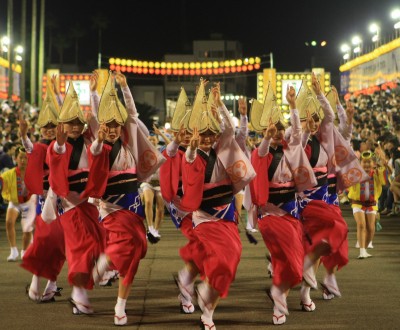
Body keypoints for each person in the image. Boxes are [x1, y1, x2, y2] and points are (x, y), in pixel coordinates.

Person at [82, 70, 165, 326]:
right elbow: (97, 134)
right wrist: (95, 93)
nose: (112, 130)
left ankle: (120, 304)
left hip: (132, 207)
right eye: (107, 126)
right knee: (123, 247)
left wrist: (125, 87)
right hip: (111, 207)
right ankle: (102, 267)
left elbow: (131, 114)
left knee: (138, 248)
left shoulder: (128, 142)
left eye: (116, 126)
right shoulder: (101, 147)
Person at [178, 80, 256, 329]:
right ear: (195, 133)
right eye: (203, 133)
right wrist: (192, 150)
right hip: (204, 219)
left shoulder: (223, 148)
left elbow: (231, 131)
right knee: (216, 261)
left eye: (212, 133)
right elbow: (190, 165)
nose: (208, 137)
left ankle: (206, 300)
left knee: (231, 260)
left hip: (226, 216)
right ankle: (207, 311)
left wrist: (220, 103)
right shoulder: (191, 155)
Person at [296, 73, 367, 311]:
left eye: (316, 118)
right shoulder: (297, 138)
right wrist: (304, 126)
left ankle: (317, 283)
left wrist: (324, 98)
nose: (315, 122)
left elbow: (340, 129)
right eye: (310, 118)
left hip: (328, 196)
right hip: (305, 201)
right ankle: (308, 281)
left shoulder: (327, 138)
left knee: (332, 240)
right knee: (318, 241)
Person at [250, 84, 316, 325]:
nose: (278, 134)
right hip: (270, 218)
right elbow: (261, 151)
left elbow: (298, 132)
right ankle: (279, 298)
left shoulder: (291, 151)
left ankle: (279, 302)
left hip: (292, 217)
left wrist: (292, 105)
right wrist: (266, 138)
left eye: (280, 130)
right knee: (290, 263)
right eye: (273, 131)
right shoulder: (262, 153)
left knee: (285, 262)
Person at [42, 79, 104, 315]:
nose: (76, 127)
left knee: (97, 244)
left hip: (90, 205)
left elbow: (100, 122)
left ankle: (78, 292)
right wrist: (59, 145)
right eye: (70, 123)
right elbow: (56, 162)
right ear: (62, 125)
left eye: (79, 122)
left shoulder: (90, 140)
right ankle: (78, 294)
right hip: (69, 206)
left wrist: (95, 92)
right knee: (81, 248)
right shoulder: (56, 146)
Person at [20, 78, 66, 302]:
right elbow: (29, 147)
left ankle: (52, 283)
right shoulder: (38, 147)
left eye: (52, 127)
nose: (48, 131)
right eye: (45, 127)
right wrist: (23, 135)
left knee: (61, 245)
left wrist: (57, 94)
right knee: (43, 240)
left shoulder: (65, 146)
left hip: (64, 201)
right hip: (43, 200)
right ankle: (37, 280)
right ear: (40, 130)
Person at [348, 148, 390, 258]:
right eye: (364, 162)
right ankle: (361, 251)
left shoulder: (377, 173)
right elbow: (347, 178)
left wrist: (385, 164)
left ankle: (365, 249)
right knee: (361, 225)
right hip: (358, 203)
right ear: (360, 163)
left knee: (371, 228)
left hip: (372, 204)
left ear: (373, 163)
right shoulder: (355, 172)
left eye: (369, 162)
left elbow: (385, 181)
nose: (366, 164)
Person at [0, 146, 37, 261]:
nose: (23, 160)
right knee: (9, 222)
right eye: (20, 158)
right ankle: (13, 250)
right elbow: (1, 183)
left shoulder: (34, 173)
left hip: (29, 202)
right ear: (15, 159)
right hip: (15, 201)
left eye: (25, 158)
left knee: (27, 229)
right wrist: (5, 195)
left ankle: (24, 250)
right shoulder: (8, 174)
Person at [140, 129, 165, 240]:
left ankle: (155, 230)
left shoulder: (162, 150)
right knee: (148, 202)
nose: (152, 141)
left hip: (160, 184)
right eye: (149, 140)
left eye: (154, 139)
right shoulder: (143, 151)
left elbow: (173, 146)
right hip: (148, 183)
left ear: (157, 140)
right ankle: (149, 227)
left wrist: (162, 134)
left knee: (160, 208)